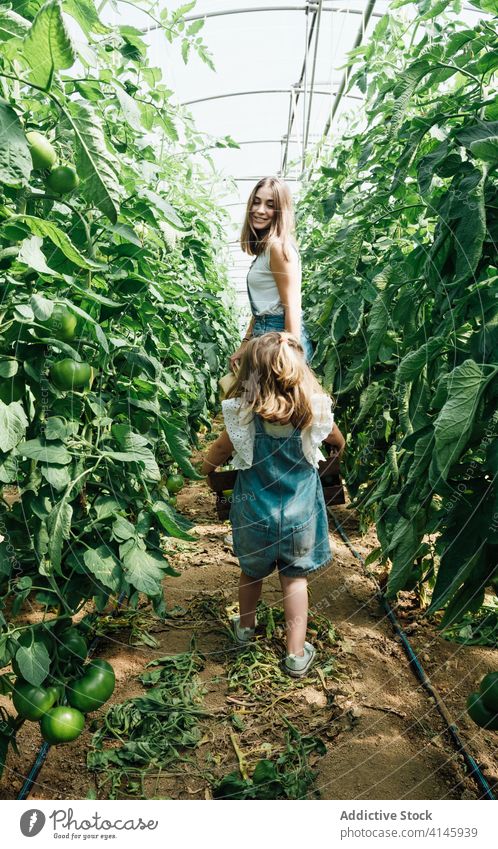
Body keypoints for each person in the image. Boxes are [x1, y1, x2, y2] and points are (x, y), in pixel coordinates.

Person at [201, 332, 345, 678]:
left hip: (255, 513)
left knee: (251, 573)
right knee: (295, 580)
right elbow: (338, 442)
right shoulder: (313, 411)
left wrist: (207, 470)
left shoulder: (243, 415)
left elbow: (220, 451)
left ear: (250, 375)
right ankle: (295, 654)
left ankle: (245, 629)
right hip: (300, 516)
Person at [230, 176, 314, 371]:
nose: (260, 210)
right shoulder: (266, 248)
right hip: (265, 336)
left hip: (279, 340)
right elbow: (263, 307)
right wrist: (245, 343)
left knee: (277, 400)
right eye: (256, 202)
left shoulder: (277, 247)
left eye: (270, 205)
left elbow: (292, 306)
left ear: (280, 211)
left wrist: (291, 358)